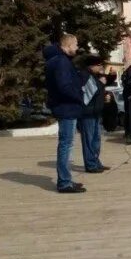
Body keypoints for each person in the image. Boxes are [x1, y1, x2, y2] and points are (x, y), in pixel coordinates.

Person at [43, 34, 85, 193]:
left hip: (64, 106)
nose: (77, 48)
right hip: (66, 107)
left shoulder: (56, 60)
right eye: (75, 45)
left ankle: (66, 179)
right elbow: (64, 86)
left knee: (66, 144)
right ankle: (65, 182)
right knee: (66, 145)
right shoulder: (61, 62)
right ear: (67, 45)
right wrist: (79, 96)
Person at [78, 56, 109, 174]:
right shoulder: (84, 76)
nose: (100, 67)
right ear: (91, 66)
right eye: (98, 65)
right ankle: (90, 164)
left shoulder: (94, 76)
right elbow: (90, 92)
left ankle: (96, 161)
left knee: (96, 139)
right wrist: (101, 84)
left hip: (95, 112)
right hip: (87, 113)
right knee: (89, 140)